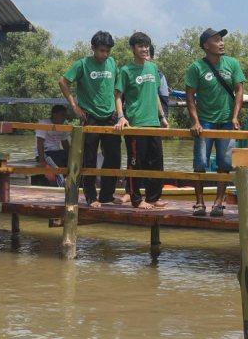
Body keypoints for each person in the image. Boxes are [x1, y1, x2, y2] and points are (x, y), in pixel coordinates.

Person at [184, 28, 245, 217]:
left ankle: (219, 202)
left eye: (222, 39)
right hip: (205, 121)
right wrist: (195, 121)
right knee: (200, 162)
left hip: (227, 121)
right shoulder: (196, 67)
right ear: (205, 45)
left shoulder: (232, 64)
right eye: (216, 40)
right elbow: (189, 95)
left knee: (225, 163)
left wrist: (235, 117)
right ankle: (199, 202)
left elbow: (239, 91)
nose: (221, 43)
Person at [59, 31, 122, 208]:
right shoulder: (82, 64)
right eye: (101, 50)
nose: (105, 54)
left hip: (110, 115)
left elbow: (118, 89)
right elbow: (63, 81)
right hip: (90, 116)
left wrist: (120, 113)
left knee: (114, 156)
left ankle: (107, 195)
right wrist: (74, 106)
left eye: (107, 51)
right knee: (89, 158)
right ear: (93, 48)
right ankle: (90, 196)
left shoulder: (112, 63)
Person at [116, 32, 169, 209]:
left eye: (146, 46)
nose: (145, 49)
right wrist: (121, 116)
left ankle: (153, 198)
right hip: (135, 124)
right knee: (135, 163)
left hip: (153, 123)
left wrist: (162, 117)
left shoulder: (153, 68)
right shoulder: (125, 70)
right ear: (133, 48)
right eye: (140, 46)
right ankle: (136, 200)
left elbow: (154, 95)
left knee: (156, 163)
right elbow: (118, 96)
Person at [33, 104, 70, 186]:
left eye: (65, 115)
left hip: (57, 152)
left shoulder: (64, 126)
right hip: (45, 152)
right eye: (62, 115)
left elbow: (65, 143)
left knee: (72, 160)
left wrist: (71, 156)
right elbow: (40, 143)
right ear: (54, 114)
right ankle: (61, 183)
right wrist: (42, 161)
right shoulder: (44, 123)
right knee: (56, 164)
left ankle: (71, 181)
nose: (64, 118)